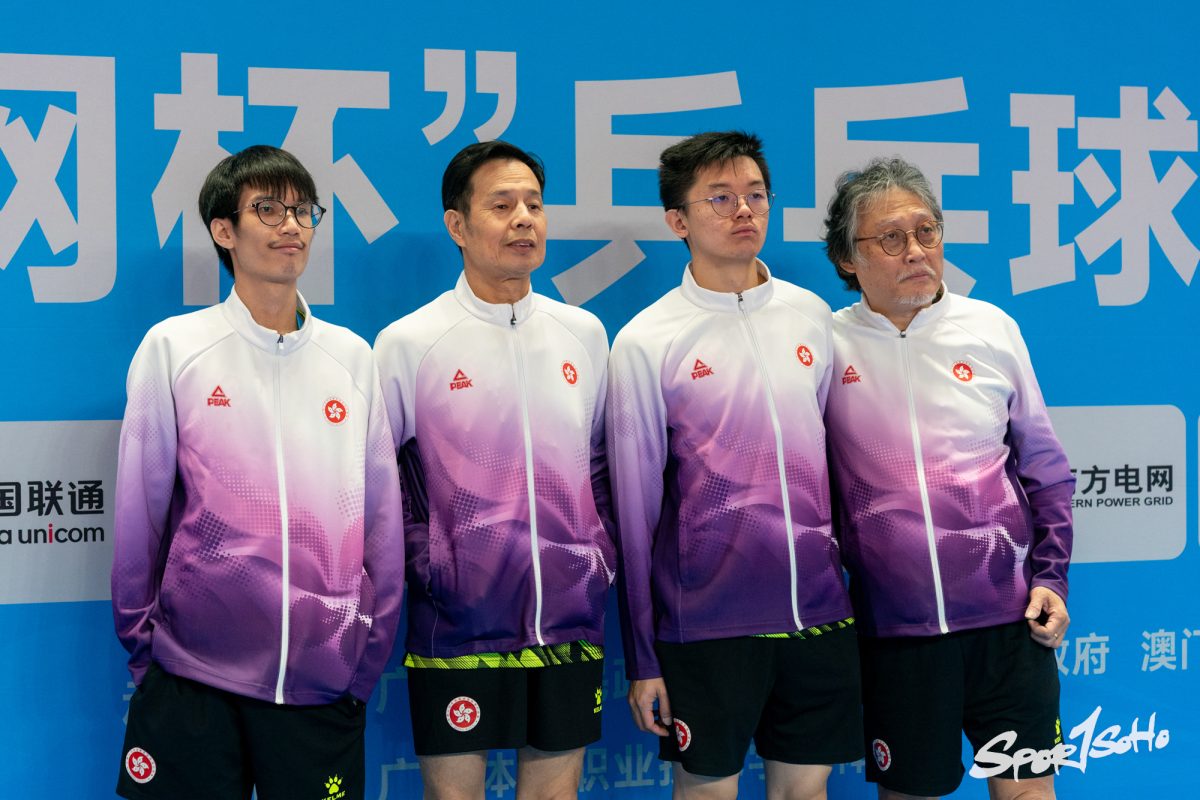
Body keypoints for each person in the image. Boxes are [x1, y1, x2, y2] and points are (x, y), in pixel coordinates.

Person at [111, 145, 404, 800]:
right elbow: (138, 516)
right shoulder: (175, 348)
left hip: (321, 685)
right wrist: (146, 651)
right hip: (193, 680)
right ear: (224, 230)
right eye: (267, 209)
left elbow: (383, 528)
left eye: (303, 211)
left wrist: (363, 659)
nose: (291, 225)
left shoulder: (351, 358)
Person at [607, 130, 861, 799]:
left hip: (817, 615)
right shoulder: (645, 342)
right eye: (719, 198)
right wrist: (644, 657)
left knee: (806, 793)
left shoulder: (812, 318)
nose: (743, 209)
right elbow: (634, 517)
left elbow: (838, 469)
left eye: (755, 194)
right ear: (678, 220)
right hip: (707, 625)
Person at [821, 156, 1074, 800]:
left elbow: (1046, 470)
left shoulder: (991, 329)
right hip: (897, 634)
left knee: (1028, 791)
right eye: (891, 237)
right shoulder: (824, 346)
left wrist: (1050, 578)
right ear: (848, 258)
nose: (916, 250)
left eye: (926, 231)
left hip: (1009, 624)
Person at [374, 140, 614, 800]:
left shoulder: (584, 335)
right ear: (457, 225)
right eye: (502, 205)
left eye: (534, 204)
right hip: (456, 625)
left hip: (568, 620)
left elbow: (600, 469)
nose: (524, 219)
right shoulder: (409, 343)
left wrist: (597, 560)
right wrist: (432, 565)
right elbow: (380, 486)